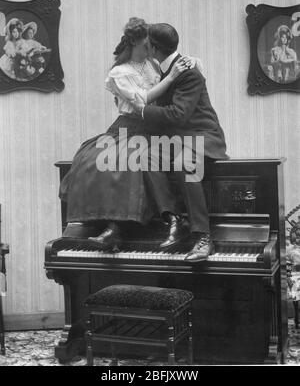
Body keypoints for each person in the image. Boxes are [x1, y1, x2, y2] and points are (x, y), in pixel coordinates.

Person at [59, 17, 191, 252]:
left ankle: (125, 227)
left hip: (153, 127)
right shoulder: (119, 72)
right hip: (127, 126)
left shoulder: (153, 65)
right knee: (97, 160)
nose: (150, 49)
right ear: (133, 45)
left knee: (135, 158)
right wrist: (170, 78)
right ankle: (111, 227)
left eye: (151, 45)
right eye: (145, 46)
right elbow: (142, 101)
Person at [132, 23, 229, 262]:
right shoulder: (167, 69)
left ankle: (203, 236)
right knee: (145, 157)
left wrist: (142, 111)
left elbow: (177, 114)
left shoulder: (188, 72)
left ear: (153, 48)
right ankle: (174, 220)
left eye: (147, 44)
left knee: (184, 163)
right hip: (180, 139)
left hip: (203, 136)